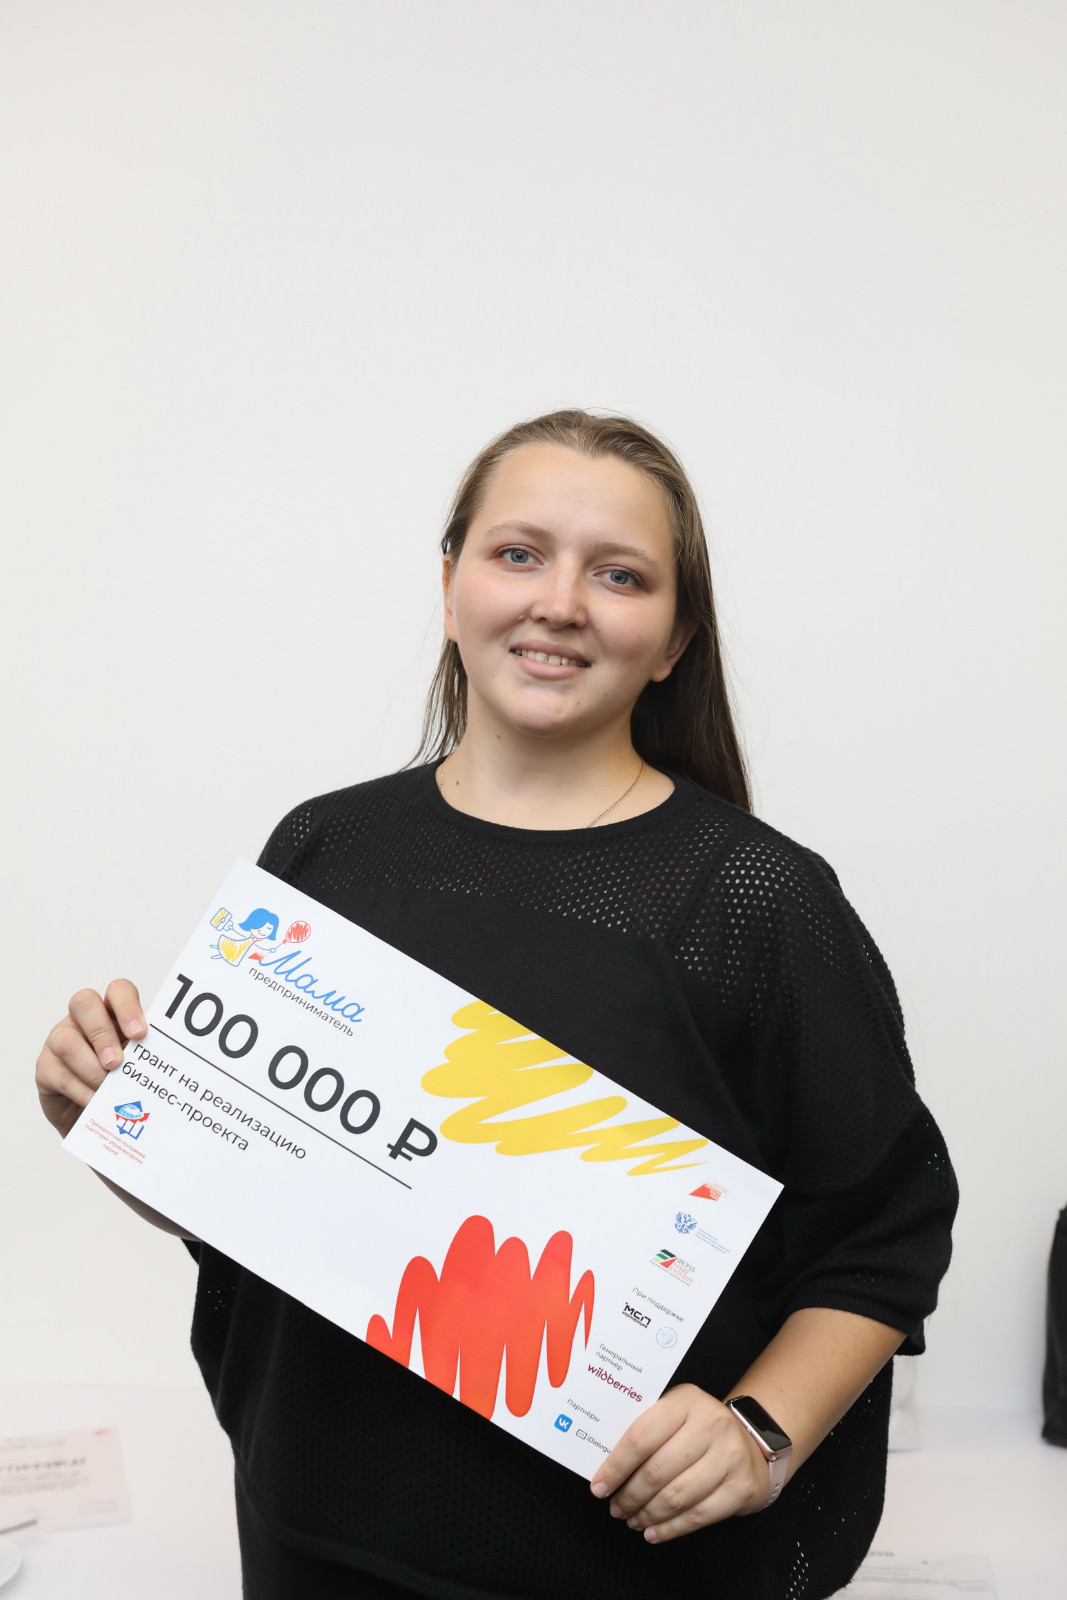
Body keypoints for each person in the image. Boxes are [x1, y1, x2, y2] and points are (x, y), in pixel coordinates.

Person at [35, 409, 958, 1600]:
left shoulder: (754, 902)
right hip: (311, 1531)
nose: (558, 602)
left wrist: (756, 1433)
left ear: (674, 639)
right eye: (518, 553)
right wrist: (115, 1117)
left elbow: (881, 1234)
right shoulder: (325, 846)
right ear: (449, 585)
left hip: (616, 1566)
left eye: (617, 575)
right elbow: (255, 1204)